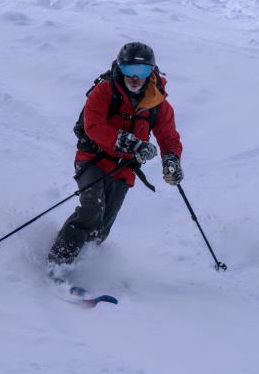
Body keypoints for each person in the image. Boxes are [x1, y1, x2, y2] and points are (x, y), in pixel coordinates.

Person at [48, 42, 183, 271]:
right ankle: (57, 264)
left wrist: (171, 161)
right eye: (129, 70)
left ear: (152, 71)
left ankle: (80, 271)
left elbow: (169, 138)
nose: (134, 78)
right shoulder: (105, 90)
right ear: (119, 68)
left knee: (101, 228)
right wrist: (132, 144)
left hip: (123, 169)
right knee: (92, 210)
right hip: (92, 159)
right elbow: (94, 126)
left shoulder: (158, 104)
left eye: (141, 72)